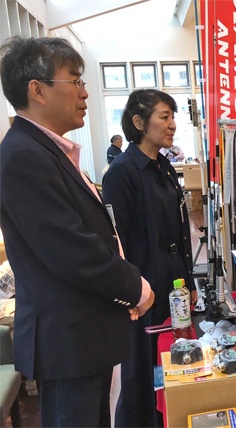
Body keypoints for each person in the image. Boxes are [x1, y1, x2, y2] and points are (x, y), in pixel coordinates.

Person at [0, 36, 154, 427]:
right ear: (37, 90)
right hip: (67, 338)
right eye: (75, 81)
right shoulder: (23, 155)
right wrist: (135, 287)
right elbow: (71, 248)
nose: (85, 93)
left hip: (82, 334)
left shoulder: (47, 151)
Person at [102, 89, 196, 427]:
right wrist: (131, 292)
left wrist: (190, 282)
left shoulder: (163, 166)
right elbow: (117, 242)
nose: (172, 125)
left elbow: (181, 233)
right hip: (144, 287)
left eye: (173, 117)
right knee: (142, 373)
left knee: (171, 364)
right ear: (139, 122)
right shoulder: (122, 172)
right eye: (164, 117)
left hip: (174, 283)